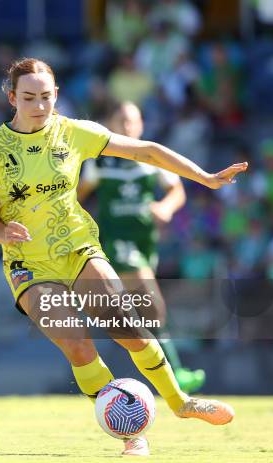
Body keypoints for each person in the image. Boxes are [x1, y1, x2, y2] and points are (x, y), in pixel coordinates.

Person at [0, 58, 246, 456]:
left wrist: (203, 177)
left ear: (57, 95)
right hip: (27, 264)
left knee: (128, 327)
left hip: (79, 248)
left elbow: (148, 151)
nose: (39, 105)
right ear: (12, 97)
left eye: (46, 96)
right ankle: (130, 433)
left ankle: (181, 402)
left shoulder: (75, 133)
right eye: (29, 97)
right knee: (79, 346)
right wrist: (2, 230)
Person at [78, 100, 205, 394]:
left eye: (132, 121)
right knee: (151, 304)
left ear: (141, 125)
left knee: (139, 312)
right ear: (109, 125)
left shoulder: (149, 156)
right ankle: (176, 374)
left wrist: (166, 207)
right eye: (121, 120)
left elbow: (177, 190)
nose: (127, 126)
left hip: (145, 241)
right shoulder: (99, 161)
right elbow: (79, 194)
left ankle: (160, 371)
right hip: (116, 241)